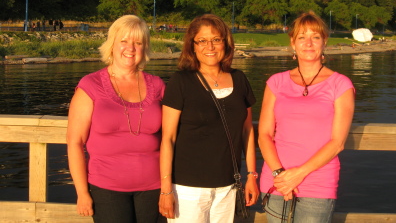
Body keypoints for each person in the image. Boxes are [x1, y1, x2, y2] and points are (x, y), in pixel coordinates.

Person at [159, 14, 259, 222]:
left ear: (225, 43)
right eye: (202, 41)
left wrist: (251, 175)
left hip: (228, 186)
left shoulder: (239, 79)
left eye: (216, 39)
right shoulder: (181, 82)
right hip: (187, 189)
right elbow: (168, 138)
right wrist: (166, 190)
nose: (210, 46)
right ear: (192, 46)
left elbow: (247, 131)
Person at [67, 15, 166, 223]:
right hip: (107, 190)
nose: (130, 48)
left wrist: (168, 189)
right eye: (124, 41)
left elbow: (172, 136)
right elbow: (75, 143)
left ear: (145, 48)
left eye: (138, 43)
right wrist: (82, 192)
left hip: (154, 189)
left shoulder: (158, 85)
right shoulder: (90, 85)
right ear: (112, 44)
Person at [258, 11, 355, 223]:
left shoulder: (340, 84)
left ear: (324, 42)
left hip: (317, 182)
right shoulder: (276, 82)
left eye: (315, 37)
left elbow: (337, 143)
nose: (308, 43)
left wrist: (298, 174)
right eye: (302, 37)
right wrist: (280, 176)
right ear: (293, 43)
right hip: (276, 182)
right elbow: (264, 134)